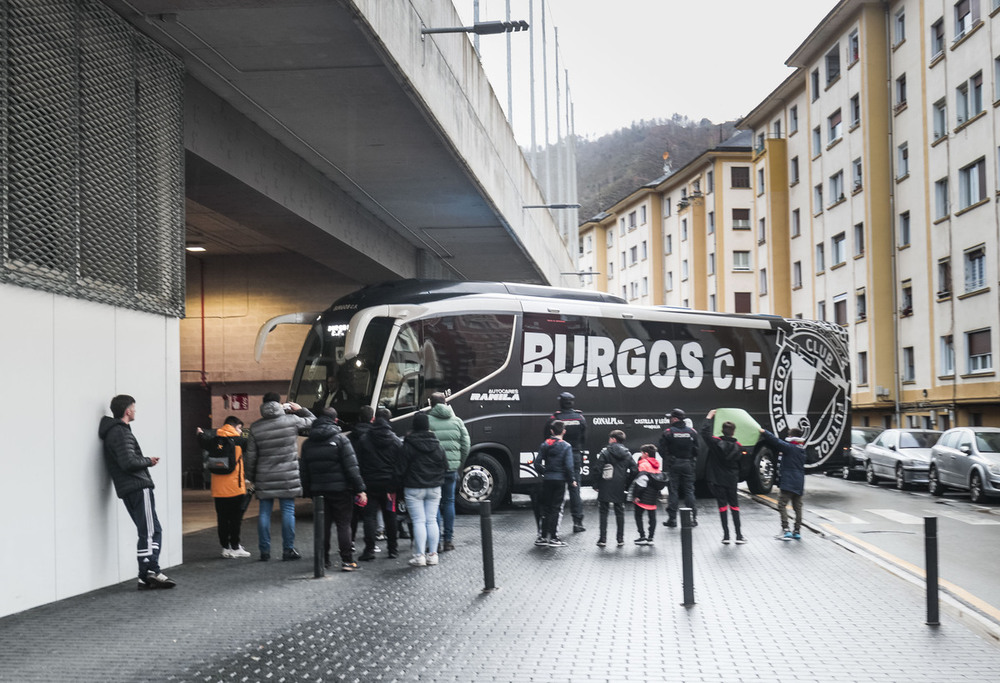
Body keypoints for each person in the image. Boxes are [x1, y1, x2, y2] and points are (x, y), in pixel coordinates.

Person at [98, 394, 176, 590]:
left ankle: (146, 576)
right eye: (134, 407)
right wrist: (149, 461)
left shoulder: (114, 432)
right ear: (127, 411)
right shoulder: (121, 432)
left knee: (148, 531)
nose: (135, 411)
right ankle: (151, 571)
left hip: (128, 488)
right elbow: (128, 462)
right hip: (138, 486)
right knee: (151, 531)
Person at [245, 392, 315, 561]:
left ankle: (264, 551)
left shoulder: (255, 427)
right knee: (288, 512)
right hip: (287, 475)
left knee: (264, 513)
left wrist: (251, 477)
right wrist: (300, 410)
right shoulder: (291, 421)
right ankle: (288, 550)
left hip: (264, 476)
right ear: (279, 404)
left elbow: (250, 457)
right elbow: (314, 421)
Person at [300, 408, 367, 571]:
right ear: (335, 421)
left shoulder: (307, 443)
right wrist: (360, 489)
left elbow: (304, 471)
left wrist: (308, 491)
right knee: (343, 524)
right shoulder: (341, 440)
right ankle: (347, 560)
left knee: (323, 525)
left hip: (318, 491)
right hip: (341, 490)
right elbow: (352, 467)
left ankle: (323, 560)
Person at [196, 416, 252, 558]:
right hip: (235, 488)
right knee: (235, 519)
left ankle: (225, 548)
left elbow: (202, 441)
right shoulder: (239, 441)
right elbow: (255, 446)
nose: (240, 431)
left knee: (222, 518)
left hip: (218, 489)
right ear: (234, 426)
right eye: (239, 428)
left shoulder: (213, 440)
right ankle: (235, 546)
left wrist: (200, 433)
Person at [356, 406, 403, 560]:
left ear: (375, 419)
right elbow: (399, 466)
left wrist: (361, 485)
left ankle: (369, 550)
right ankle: (392, 549)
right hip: (389, 487)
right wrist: (394, 486)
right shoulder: (395, 441)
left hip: (370, 485)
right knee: (391, 516)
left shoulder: (365, 439)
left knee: (369, 517)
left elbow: (359, 463)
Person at [401, 412, 448, 567]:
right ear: (428, 426)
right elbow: (445, 466)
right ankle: (433, 555)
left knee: (418, 521)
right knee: (432, 520)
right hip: (434, 487)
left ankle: (419, 556)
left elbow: (401, 468)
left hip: (414, 488)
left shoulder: (408, 444)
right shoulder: (437, 445)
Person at [427, 392, 470, 552]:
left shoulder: (428, 421)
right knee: (449, 502)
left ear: (431, 404)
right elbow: (466, 445)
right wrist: (460, 463)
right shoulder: (457, 421)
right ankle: (448, 540)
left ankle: (435, 541)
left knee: (435, 504)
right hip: (451, 469)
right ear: (445, 403)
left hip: (433, 470)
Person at [544, 391, 587, 533]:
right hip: (574, 455)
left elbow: (546, 437)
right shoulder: (580, 418)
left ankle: (552, 527)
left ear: (561, 403)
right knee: (575, 489)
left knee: (556, 491)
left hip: (557, 456)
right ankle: (578, 522)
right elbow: (584, 438)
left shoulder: (554, 418)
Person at [701, 410, 746, 545]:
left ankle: (726, 536)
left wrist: (709, 417)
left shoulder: (716, 443)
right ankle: (739, 535)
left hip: (717, 479)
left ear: (722, 430)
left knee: (722, 506)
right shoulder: (738, 447)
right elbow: (741, 466)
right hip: (731, 480)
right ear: (733, 431)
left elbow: (704, 433)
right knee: (735, 506)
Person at [759, 424, 809, 540]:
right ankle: (797, 531)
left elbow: (776, 441)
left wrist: (764, 432)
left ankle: (786, 529)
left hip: (788, 482)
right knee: (798, 508)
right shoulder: (802, 450)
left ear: (791, 436)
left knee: (781, 505)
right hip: (799, 482)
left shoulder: (790, 448)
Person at [535, 420, 577, 547]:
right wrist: (571, 480)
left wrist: (545, 472)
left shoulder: (545, 444)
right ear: (564, 431)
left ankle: (542, 537)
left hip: (547, 480)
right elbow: (569, 467)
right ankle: (554, 538)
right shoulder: (566, 446)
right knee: (557, 509)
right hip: (560, 480)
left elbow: (537, 463)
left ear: (552, 431)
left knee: (546, 508)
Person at [592, 430, 637, 548]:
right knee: (619, 512)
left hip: (605, 484)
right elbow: (634, 470)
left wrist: (596, 484)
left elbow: (598, 468)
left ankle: (602, 539)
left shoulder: (605, 452)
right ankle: (620, 539)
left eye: (610, 438)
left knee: (603, 512)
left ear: (613, 439)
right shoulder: (627, 454)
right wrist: (627, 483)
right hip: (619, 486)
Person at [659, 407, 699, 528]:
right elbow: (697, 450)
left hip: (674, 464)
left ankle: (672, 519)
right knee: (689, 491)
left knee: (673, 491)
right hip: (687, 464)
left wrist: (669, 459)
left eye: (671, 418)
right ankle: (693, 518)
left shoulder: (668, 432)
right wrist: (691, 460)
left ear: (675, 419)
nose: (669, 420)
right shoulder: (692, 432)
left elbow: (662, 450)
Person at [631, 444, 667, 545]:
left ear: (646, 454)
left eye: (642, 453)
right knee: (652, 517)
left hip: (643, 494)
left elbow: (642, 481)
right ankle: (651, 538)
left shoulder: (644, 464)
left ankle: (642, 536)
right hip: (653, 494)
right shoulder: (656, 464)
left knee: (638, 515)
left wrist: (636, 495)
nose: (641, 455)